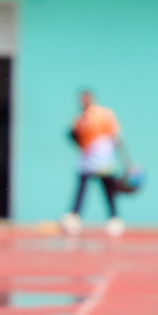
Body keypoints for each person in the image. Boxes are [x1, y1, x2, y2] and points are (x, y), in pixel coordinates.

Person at [61, 89, 125, 237]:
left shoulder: (104, 114)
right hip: (87, 156)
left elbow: (115, 135)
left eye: (87, 98)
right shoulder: (79, 118)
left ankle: (114, 219)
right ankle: (74, 217)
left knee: (108, 188)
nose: (84, 101)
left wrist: (122, 159)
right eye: (82, 98)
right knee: (82, 187)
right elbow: (74, 137)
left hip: (103, 156)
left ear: (92, 98)